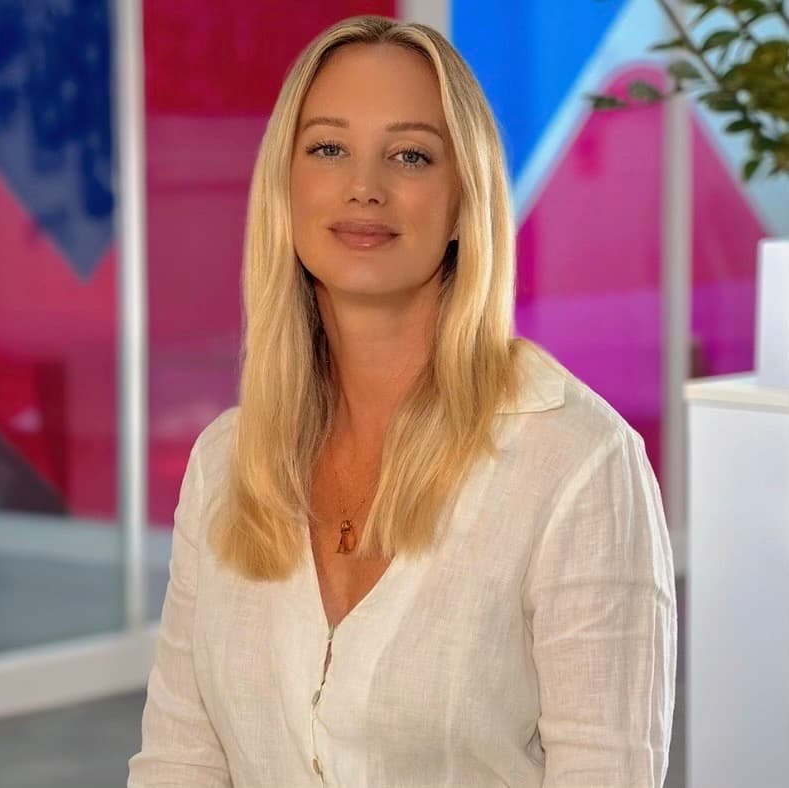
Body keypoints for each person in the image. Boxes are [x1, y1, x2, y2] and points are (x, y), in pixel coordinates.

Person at [128, 14, 677, 788]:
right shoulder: (225, 461)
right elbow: (179, 759)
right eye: (328, 148)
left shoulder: (576, 463)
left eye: (410, 155)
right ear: (285, 187)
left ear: (462, 203)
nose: (364, 186)